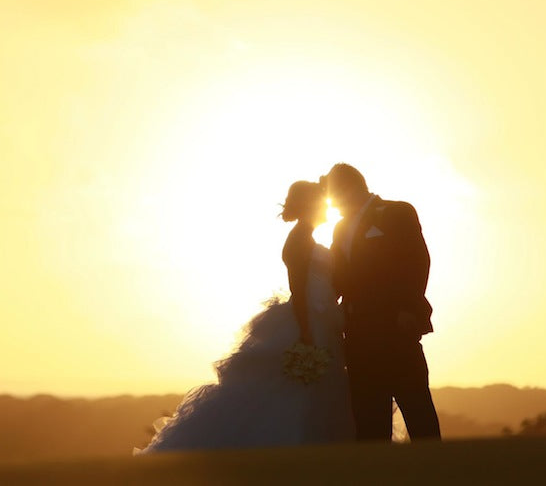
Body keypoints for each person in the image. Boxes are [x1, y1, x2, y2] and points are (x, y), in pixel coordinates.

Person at [137, 181, 355, 453]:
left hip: (324, 317)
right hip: (308, 319)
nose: (327, 208)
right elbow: (298, 290)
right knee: (298, 389)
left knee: (321, 385)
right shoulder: (298, 240)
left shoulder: (308, 238)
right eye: (322, 203)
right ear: (310, 206)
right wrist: (306, 333)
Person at [325, 163, 441, 442]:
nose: (333, 204)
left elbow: (417, 261)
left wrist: (407, 308)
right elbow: (338, 276)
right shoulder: (340, 227)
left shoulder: (397, 212)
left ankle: (437, 472)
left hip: (396, 327)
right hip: (358, 333)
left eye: (335, 196)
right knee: (369, 418)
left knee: (417, 407)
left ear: (351, 188)